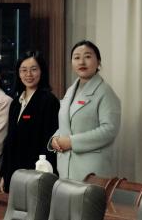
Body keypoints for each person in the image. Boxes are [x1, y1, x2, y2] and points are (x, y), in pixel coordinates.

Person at [50, 40, 121, 181]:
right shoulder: (71, 90)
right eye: (76, 57)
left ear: (98, 62)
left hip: (91, 170)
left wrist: (72, 142)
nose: (81, 62)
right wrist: (55, 139)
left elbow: (109, 130)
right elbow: (66, 123)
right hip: (66, 166)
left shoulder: (105, 92)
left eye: (87, 56)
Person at [0, 51, 60, 191]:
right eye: (23, 70)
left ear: (42, 71)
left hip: (36, 174)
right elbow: (10, 141)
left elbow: (49, 142)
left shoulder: (49, 101)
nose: (28, 74)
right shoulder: (16, 102)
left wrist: (43, 175)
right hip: (14, 174)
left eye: (33, 69)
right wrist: (4, 173)